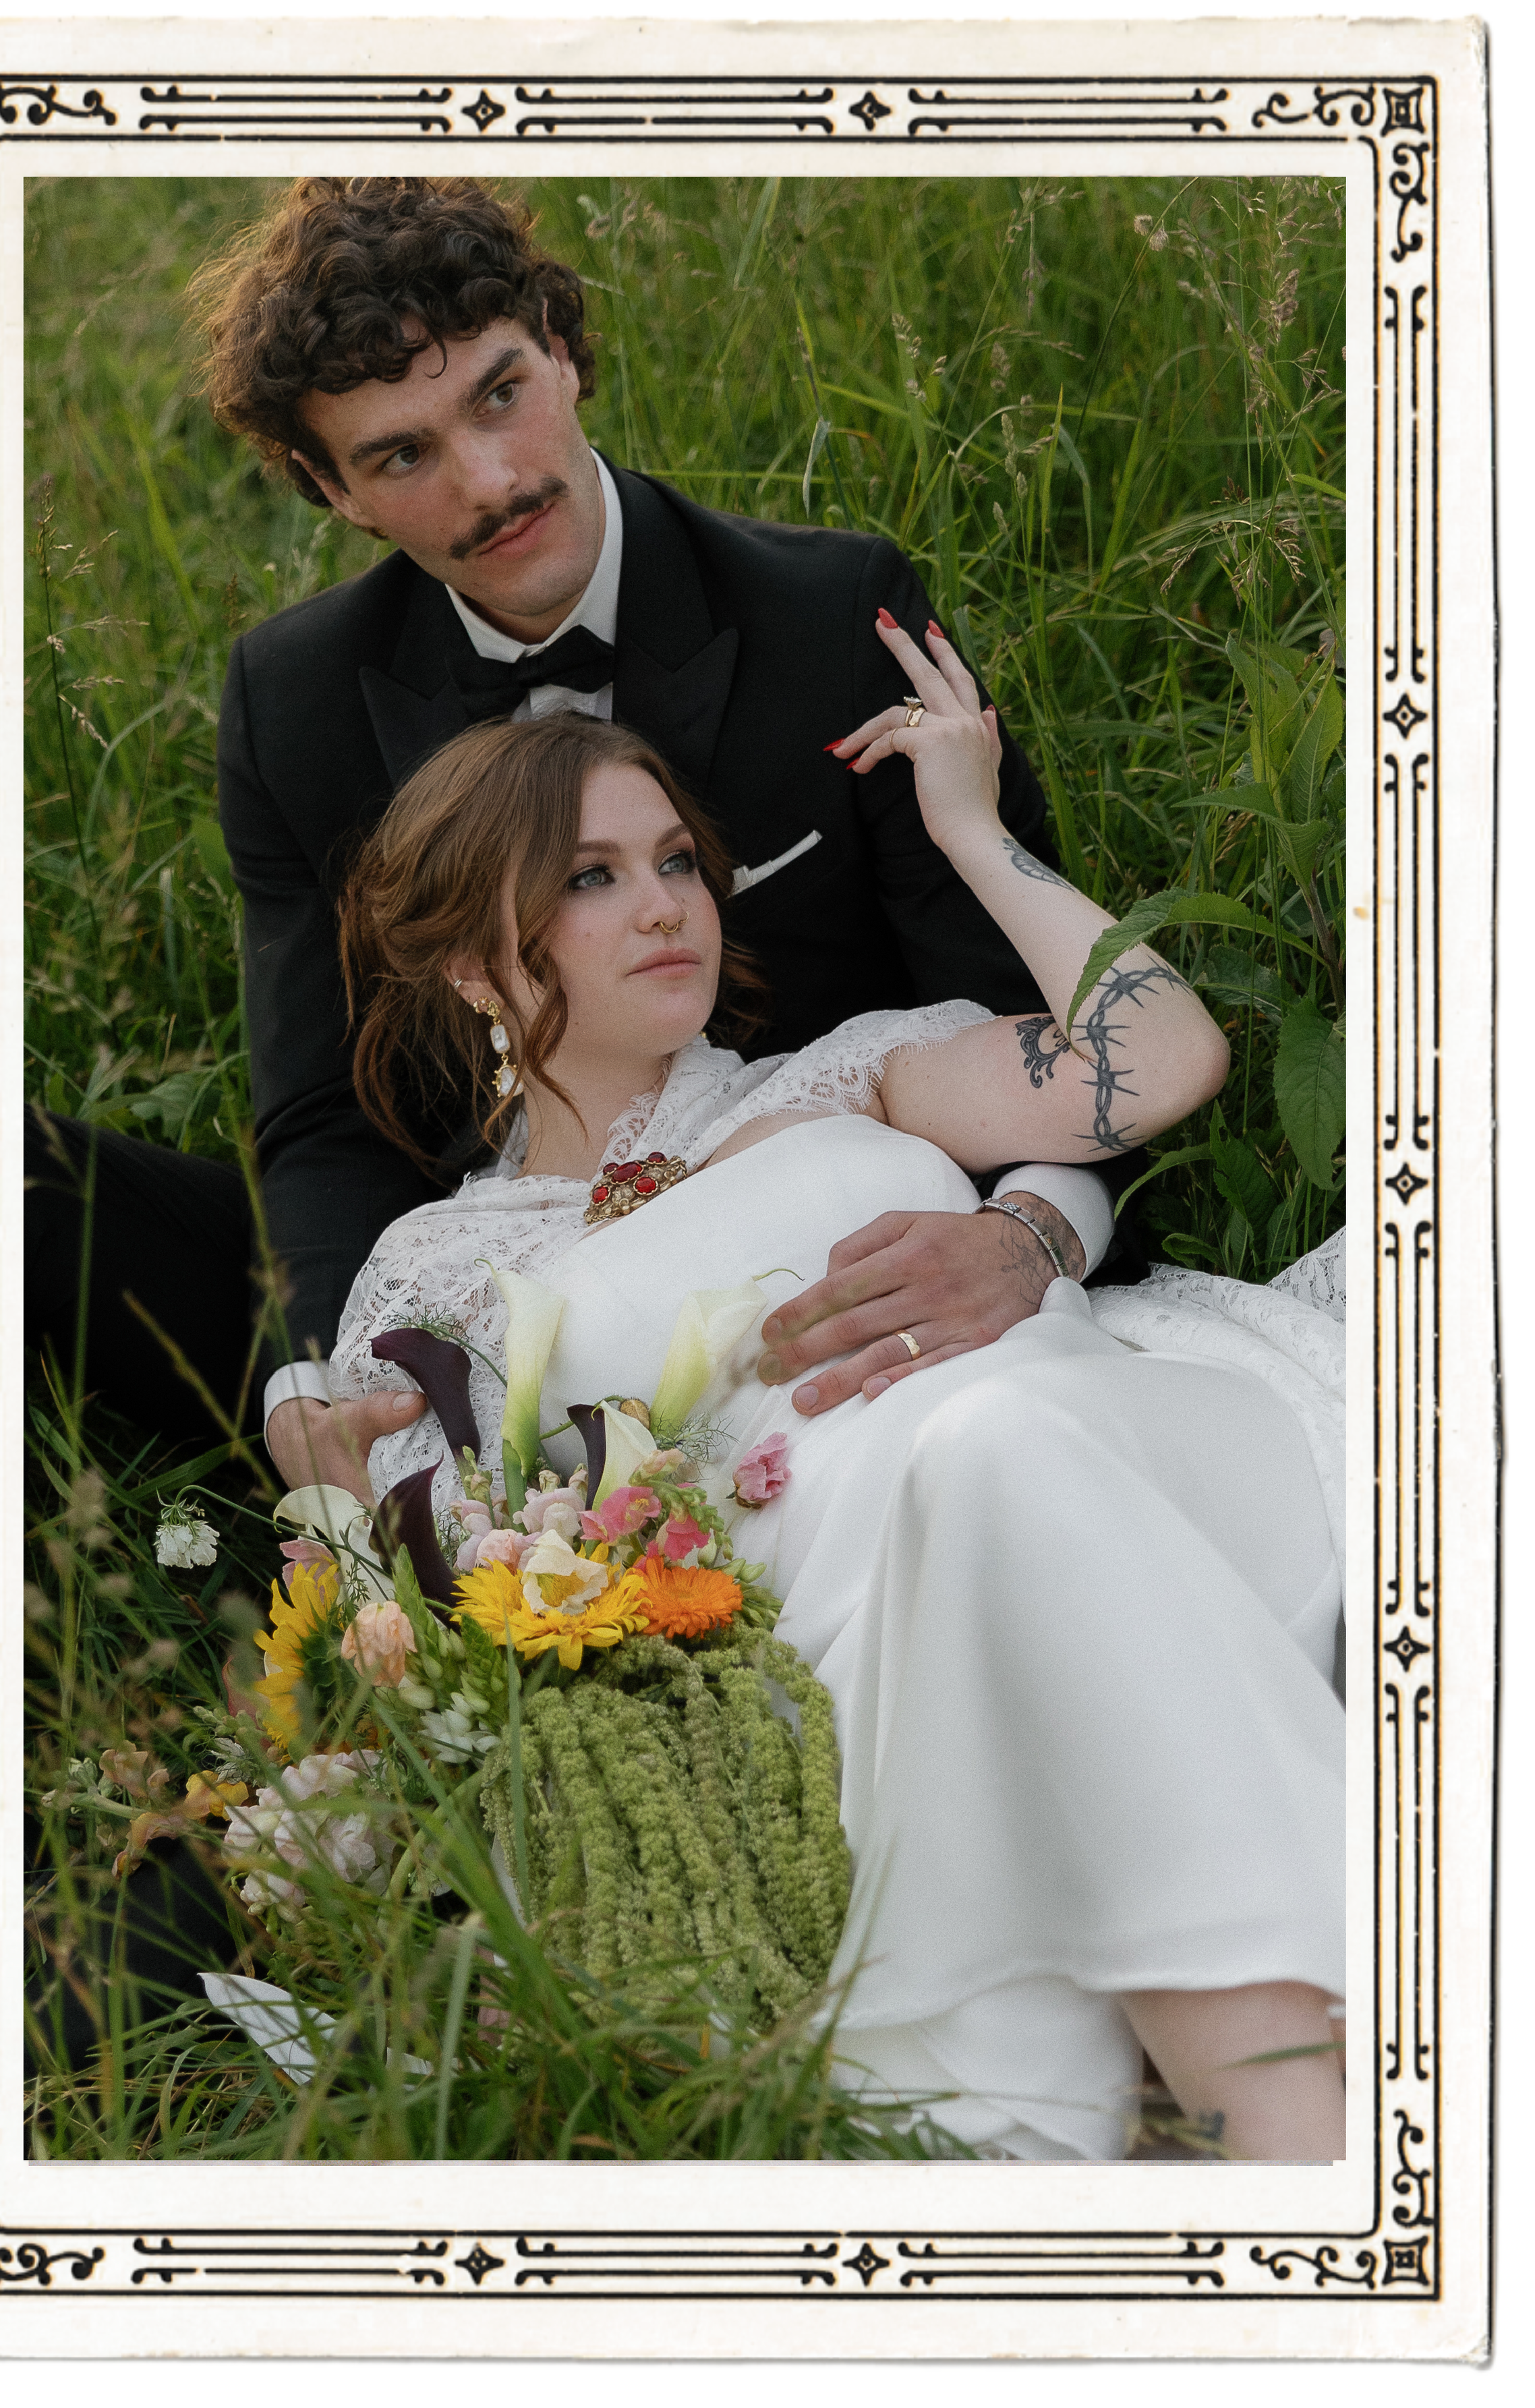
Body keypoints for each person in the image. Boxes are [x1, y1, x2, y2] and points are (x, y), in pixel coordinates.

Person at [322, 628, 1348, 2165]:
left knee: (1011, 1428)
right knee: (979, 1451)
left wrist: (967, 826)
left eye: (673, 857)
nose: (663, 901)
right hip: (873, 1615)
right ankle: (1318, 2152)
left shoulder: (836, 1073)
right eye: (589, 878)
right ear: (475, 960)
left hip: (1137, 1448)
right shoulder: (431, 1274)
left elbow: (1169, 1057)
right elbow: (446, 1607)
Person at [24, 174, 1134, 1485]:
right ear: (332, 491)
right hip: (490, 1256)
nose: (488, 480)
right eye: (402, 454)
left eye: (498, 392)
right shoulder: (295, 701)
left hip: (813, 1244)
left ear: (560, 342)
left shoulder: (833, 613)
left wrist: (1026, 1238)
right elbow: (321, 1112)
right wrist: (312, 1382)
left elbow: (1030, 1007)